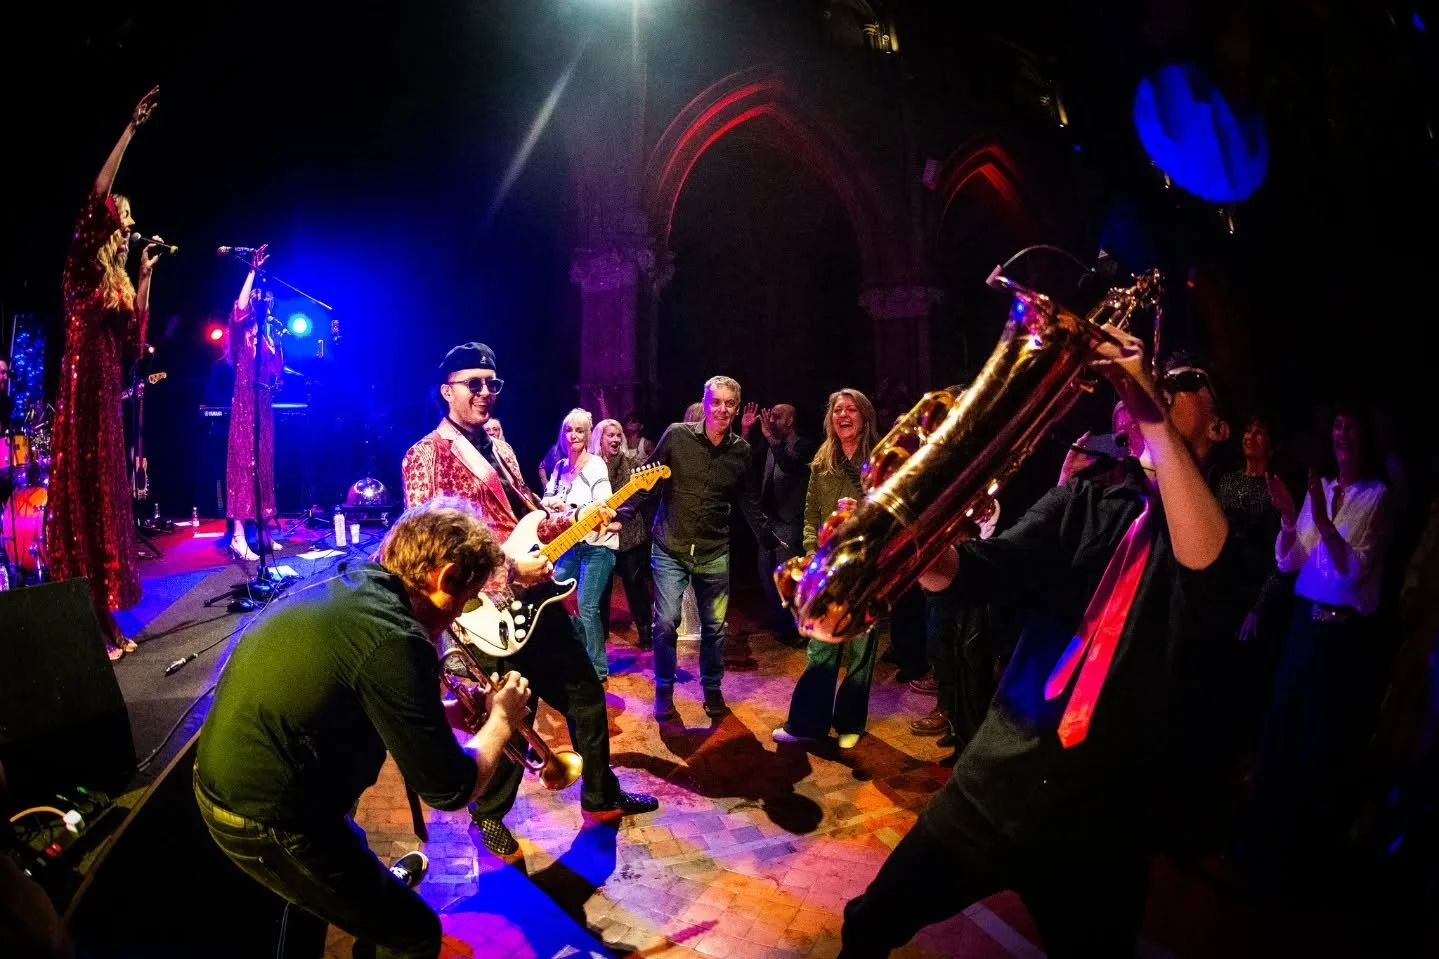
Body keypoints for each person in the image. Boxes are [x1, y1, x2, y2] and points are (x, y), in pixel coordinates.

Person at [839, 332, 1239, 957]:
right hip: (995, 783)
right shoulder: (1084, 501)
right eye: (1158, 379)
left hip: (1101, 831)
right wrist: (910, 542)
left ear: (1219, 427)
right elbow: (980, 573)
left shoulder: (1225, 530)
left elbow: (1204, 565)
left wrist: (1149, 406)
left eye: (1185, 382)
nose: (1163, 385)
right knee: (869, 924)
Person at [194, 498, 531, 959]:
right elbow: (449, 788)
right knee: (416, 934)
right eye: (467, 599)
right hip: (266, 817)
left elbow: (356, 690)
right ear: (445, 578)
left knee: (350, 864)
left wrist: (450, 713)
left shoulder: (353, 577)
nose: (460, 615)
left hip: (251, 776)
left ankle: (364, 897)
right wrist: (502, 720)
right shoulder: (397, 638)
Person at [401, 342, 657, 860]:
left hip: (537, 602)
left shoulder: (500, 447)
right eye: (473, 384)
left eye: (492, 383)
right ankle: (487, 815)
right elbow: (427, 548)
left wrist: (580, 519)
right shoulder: (426, 455)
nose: (485, 392)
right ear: (446, 391)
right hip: (486, 613)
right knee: (515, 718)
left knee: (587, 697)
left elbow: (529, 516)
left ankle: (600, 795)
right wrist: (507, 570)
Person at [1242, 405, 1394, 890]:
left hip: (1338, 639)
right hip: (1302, 629)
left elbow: (1351, 572)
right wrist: (1291, 518)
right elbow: (1290, 562)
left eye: (1352, 426)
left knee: (1311, 749)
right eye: (1337, 425)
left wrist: (1325, 522)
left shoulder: (1376, 496)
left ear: (1365, 437)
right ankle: (1252, 850)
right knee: (1277, 733)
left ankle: (1288, 867)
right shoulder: (1320, 488)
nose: (1342, 433)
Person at [46, 86, 162, 661]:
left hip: (108, 405)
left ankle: (106, 614)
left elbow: (136, 343)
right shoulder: (81, 269)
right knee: (85, 504)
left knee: (109, 505)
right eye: (125, 216)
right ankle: (91, 621)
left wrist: (145, 275)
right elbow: (97, 195)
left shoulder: (115, 282)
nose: (129, 223)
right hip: (81, 399)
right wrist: (130, 129)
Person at [616, 376, 783, 722]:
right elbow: (649, 480)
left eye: (729, 404)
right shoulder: (677, 435)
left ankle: (712, 688)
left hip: (713, 551)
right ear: (705, 404)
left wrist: (771, 541)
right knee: (666, 623)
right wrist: (622, 514)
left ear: (737, 408)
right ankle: (664, 690)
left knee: (715, 627)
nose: (722, 410)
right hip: (670, 546)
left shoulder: (741, 451)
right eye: (716, 402)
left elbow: (749, 503)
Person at [772, 389, 880, 749]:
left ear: (864, 417)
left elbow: (891, 514)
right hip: (827, 568)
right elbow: (810, 515)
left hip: (866, 567)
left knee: (861, 651)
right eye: (837, 410)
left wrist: (861, 511)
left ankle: (851, 723)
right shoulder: (821, 462)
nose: (843, 415)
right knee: (821, 648)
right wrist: (811, 553)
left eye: (851, 410)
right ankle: (807, 724)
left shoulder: (879, 460)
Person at [541, 408, 617, 682]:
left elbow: (603, 506)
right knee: (550, 595)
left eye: (579, 430)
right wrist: (552, 505)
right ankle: (576, 653)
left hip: (598, 547)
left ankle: (597, 669)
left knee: (587, 606)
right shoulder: (560, 467)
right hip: (571, 545)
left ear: (588, 434)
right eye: (568, 430)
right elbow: (545, 501)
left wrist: (568, 508)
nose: (573, 435)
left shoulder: (596, 465)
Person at [223, 246, 284, 561]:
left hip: (264, 405)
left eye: (267, 297)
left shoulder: (268, 336)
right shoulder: (241, 331)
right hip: (244, 403)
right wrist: (251, 272)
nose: (264, 300)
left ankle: (262, 531)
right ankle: (237, 536)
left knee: (263, 465)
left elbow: (277, 374)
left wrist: (277, 342)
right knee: (243, 465)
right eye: (260, 296)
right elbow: (240, 307)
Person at [742, 401, 817, 647]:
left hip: (789, 520)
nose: (771, 421)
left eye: (776, 417)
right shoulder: (769, 444)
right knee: (766, 573)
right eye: (770, 416)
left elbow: (789, 464)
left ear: (790, 421)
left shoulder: (804, 446)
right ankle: (780, 619)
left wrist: (770, 440)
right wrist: (745, 431)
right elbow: (745, 460)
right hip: (768, 519)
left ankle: (796, 627)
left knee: (789, 576)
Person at [593, 417, 654, 650]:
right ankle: (600, 635)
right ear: (600, 438)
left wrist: (621, 517)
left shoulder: (632, 463)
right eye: (611, 435)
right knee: (602, 587)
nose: (616, 439)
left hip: (629, 533)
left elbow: (644, 495)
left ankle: (646, 635)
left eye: (619, 435)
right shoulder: (592, 466)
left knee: (635, 584)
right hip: (601, 536)